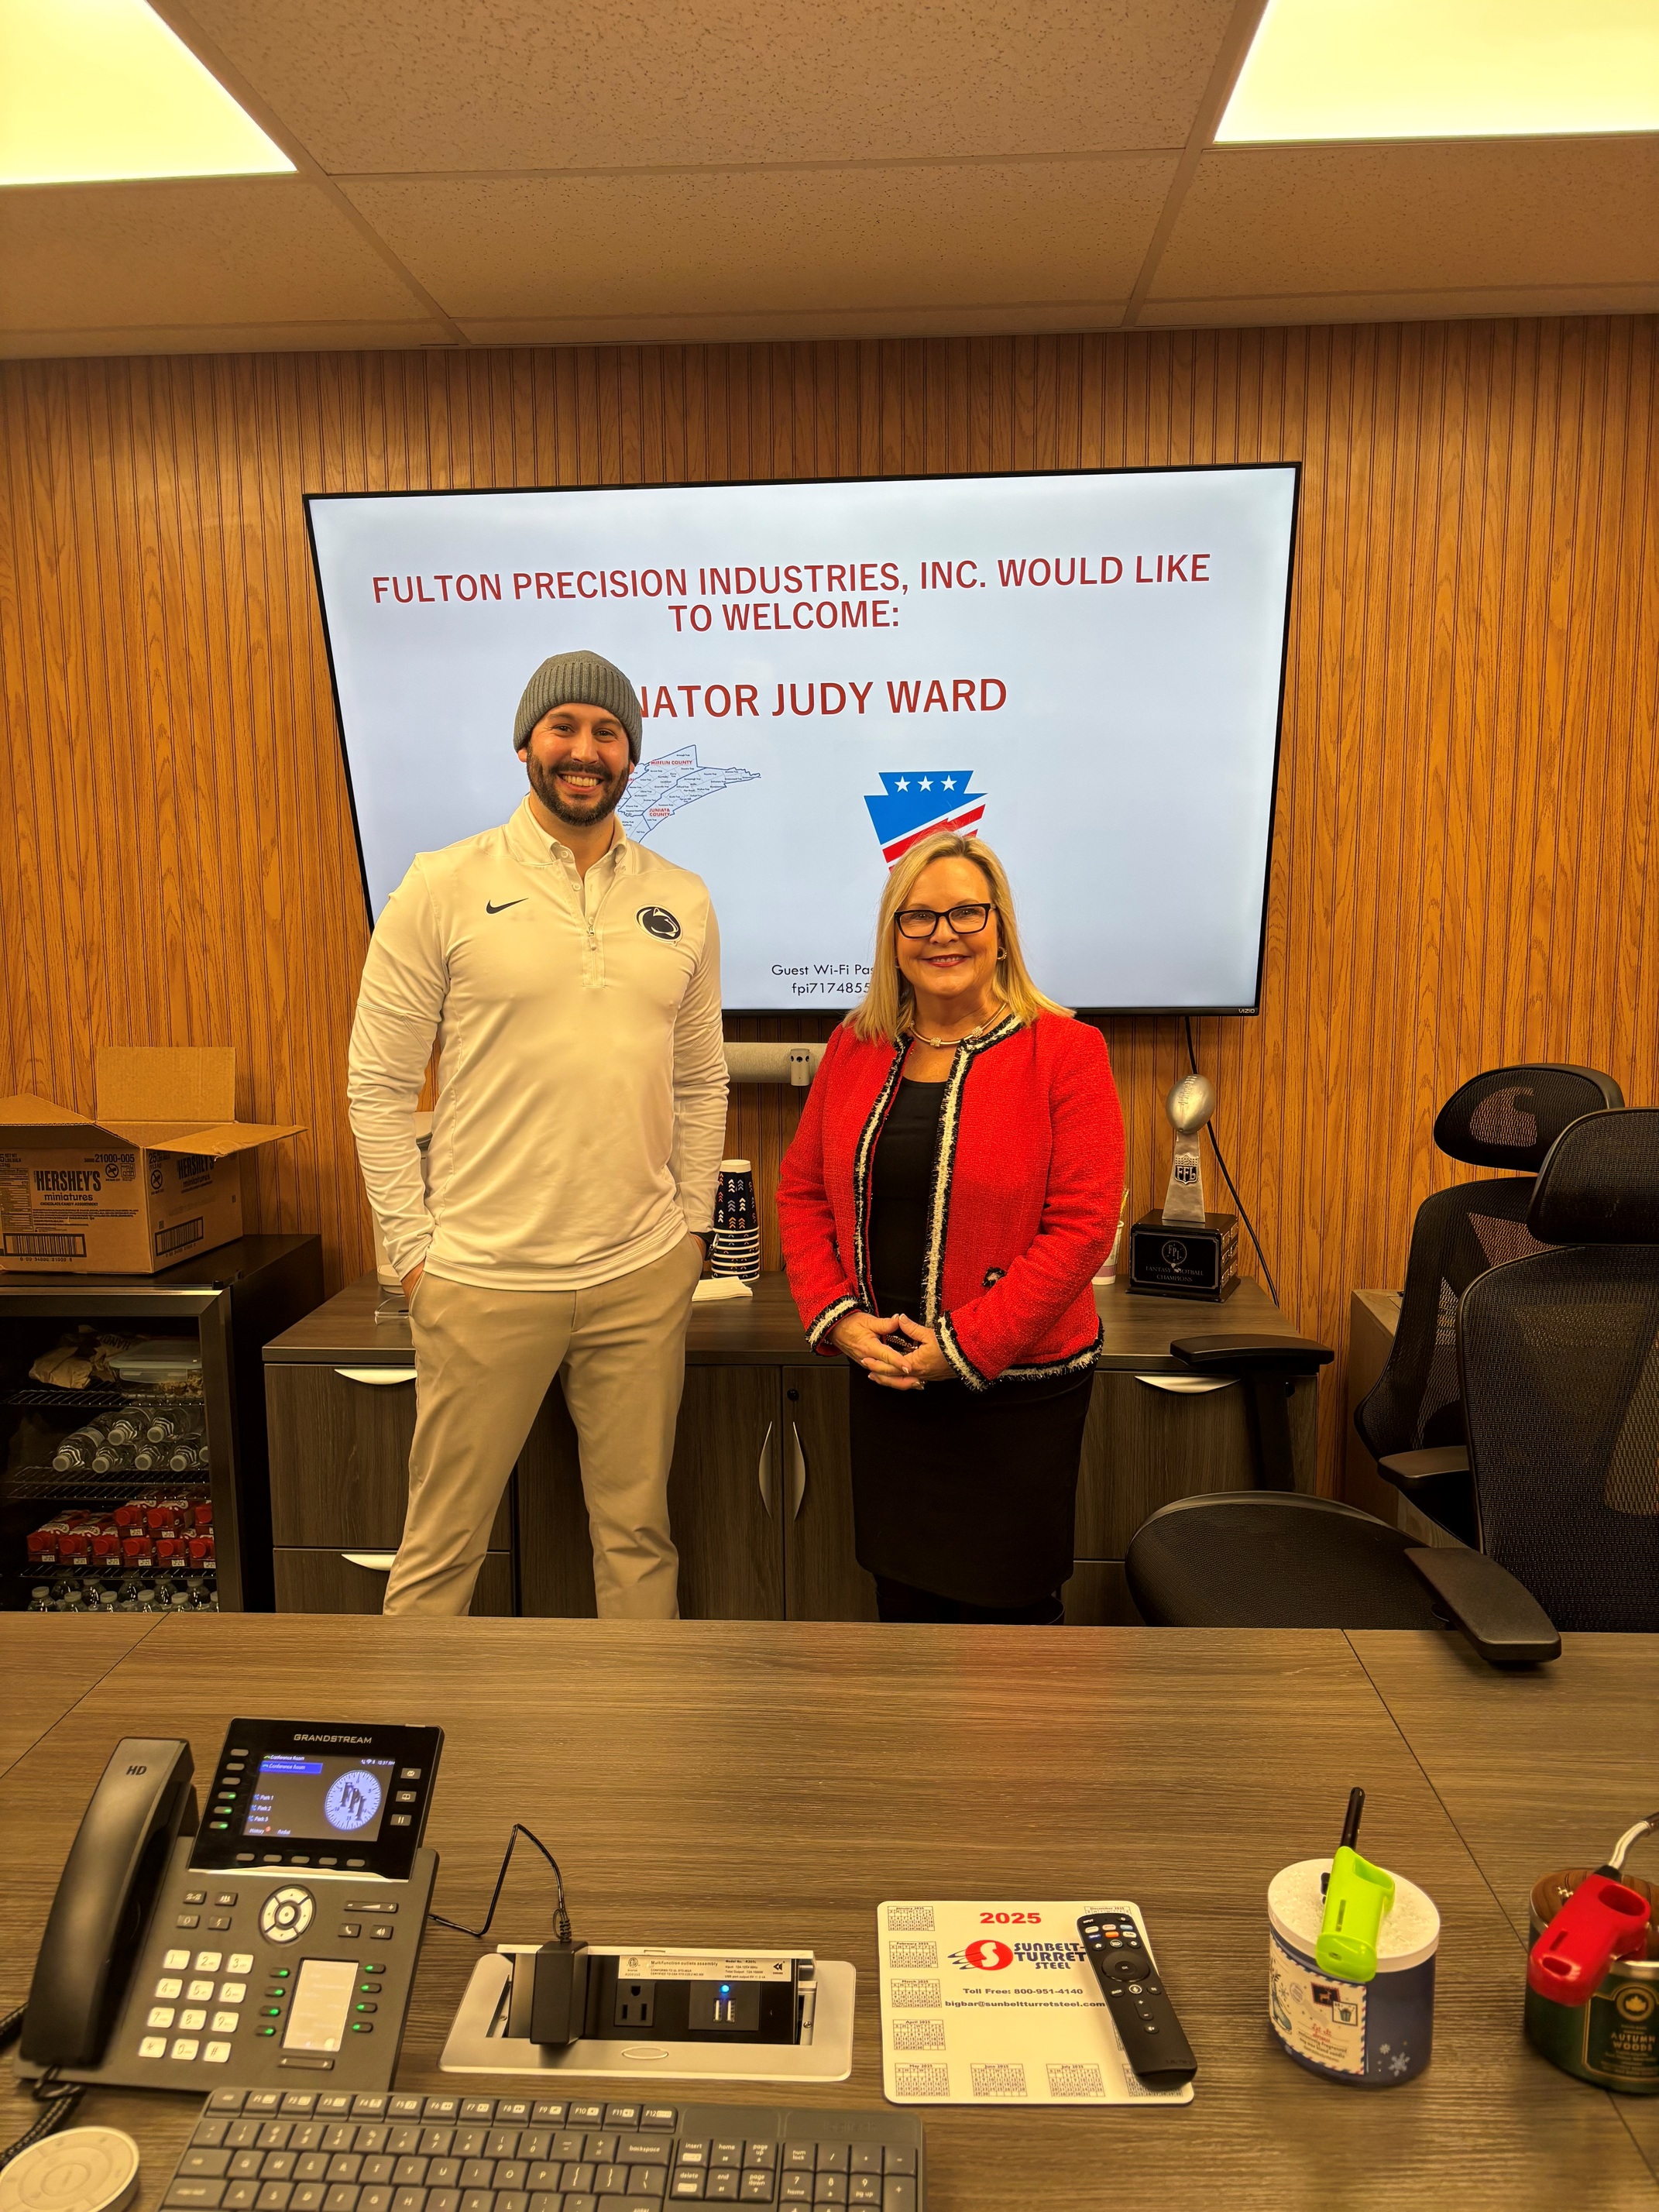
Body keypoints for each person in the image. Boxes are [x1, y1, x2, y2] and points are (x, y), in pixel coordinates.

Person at [347, 648, 727, 1618]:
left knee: (638, 1542)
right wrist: (415, 1256)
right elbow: (378, 1085)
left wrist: (690, 1235)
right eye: (564, 727)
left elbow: (699, 1079)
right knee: (441, 1553)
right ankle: (411, 1723)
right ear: (527, 743)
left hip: (639, 1276)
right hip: (482, 1277)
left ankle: (641, 1726)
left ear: (631, 757)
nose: (584, 750)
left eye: (608, 733)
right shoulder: (441, 884)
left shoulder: (683, 897)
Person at [777, 832, 1124, 1623]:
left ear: (1000, 930)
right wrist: (839, 1320)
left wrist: (961, 1349)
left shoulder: (1067, 1050)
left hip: (1015, 1393)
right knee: (902, 1612)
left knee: (1009, 1626)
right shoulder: (854, 1047)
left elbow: (1082, 1227)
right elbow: (801, 1193)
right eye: (919, 917)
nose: (944, 934)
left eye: (967, 912)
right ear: (893, 937)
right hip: (888, 1382)